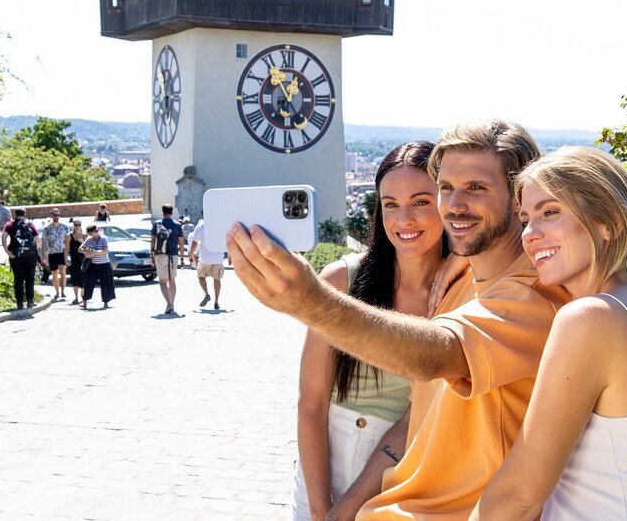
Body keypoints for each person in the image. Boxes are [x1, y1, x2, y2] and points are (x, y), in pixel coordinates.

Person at [227, 119, 571, 520]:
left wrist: (313, 303)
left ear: (518, 199)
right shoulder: (460, 284)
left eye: (476, 187)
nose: (455, 205)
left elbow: (438, 355)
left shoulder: (531, 293)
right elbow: (401, 416)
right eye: (446, 188)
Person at [471, 146, 627, 520]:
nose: (530, 234)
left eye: (550, 212)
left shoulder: (592, 318)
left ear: (611, 223)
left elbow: (519, 497)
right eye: (526, 218)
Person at [291, 142, 450, 520]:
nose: (404, 219)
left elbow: (420, 413)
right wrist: (319, 508)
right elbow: (310, 403)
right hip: (329, 462)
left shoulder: (460, 292)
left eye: (421, 202)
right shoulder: (345, 280)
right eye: (390, 204)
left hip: (411, 467)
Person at [1, 208, 41, 310]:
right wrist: (33, 251)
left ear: (15, 214)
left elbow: (3, 237)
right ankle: (30, 301)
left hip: (15, 256)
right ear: (24, 214)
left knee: (18, 279)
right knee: (30, 278)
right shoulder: (30, 225)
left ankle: (20, 303)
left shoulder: (10, 225)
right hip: (30, 257)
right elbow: (37, 240)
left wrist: (8, 252)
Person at [151, 204, 185, 315]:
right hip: (173, 255)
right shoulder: (177, 225)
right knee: (172, 280)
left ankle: (169, 303)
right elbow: (181, 242)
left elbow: (152, 241)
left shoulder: (157, 224)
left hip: (160, 255)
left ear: (162, 212)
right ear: (172, 212)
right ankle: (171, 304)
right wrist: (182, 258)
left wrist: (152, 256)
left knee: (162, 281)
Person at [187, 217, 227, 310]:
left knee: (201, 277)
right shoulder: (221, 224)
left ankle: (206, 294)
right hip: (218, 257)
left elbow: (194, 242)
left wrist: (191, 254)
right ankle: (216, 302)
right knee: (217, 279)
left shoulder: (201, 226)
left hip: (205, 258)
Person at [79, 224, 115, 309]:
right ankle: (85, 301)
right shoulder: (89, 240)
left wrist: (94, 252)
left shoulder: (103, 238)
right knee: (88, 283)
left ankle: (106, 302)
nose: (91, 235)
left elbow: (105, 251)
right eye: (89, 234)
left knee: (105, 283)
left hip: (104, 264)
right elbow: (80, 249)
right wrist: (87, 250)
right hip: (93, 265)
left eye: (92, 233)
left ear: (96, 231)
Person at [39, 208, 70, 301]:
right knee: (54, 273)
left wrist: (68, 251)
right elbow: (43, 242)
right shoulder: (47, 229)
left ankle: (63, 291)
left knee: (62, 271)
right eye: (54, 215)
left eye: (58, 215)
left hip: (62, 252)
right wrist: (43, 256)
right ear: (51, 215)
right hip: (52, 253)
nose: (56, 216)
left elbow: (68, 240)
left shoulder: (65, 227)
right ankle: (57, 292)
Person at [66, 218, 86, 305]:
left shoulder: (84, 235)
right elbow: (66, 249)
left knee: (83, 278)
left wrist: (82, 242)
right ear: (73, 226)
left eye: (79, 224)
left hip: (83, 260)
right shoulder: (69, 236)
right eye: (76, 225)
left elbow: (88, 248)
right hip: (73, 259)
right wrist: (65, 259)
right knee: (74, 278)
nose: (78, 226)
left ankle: (83, 296)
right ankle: (76, 297)